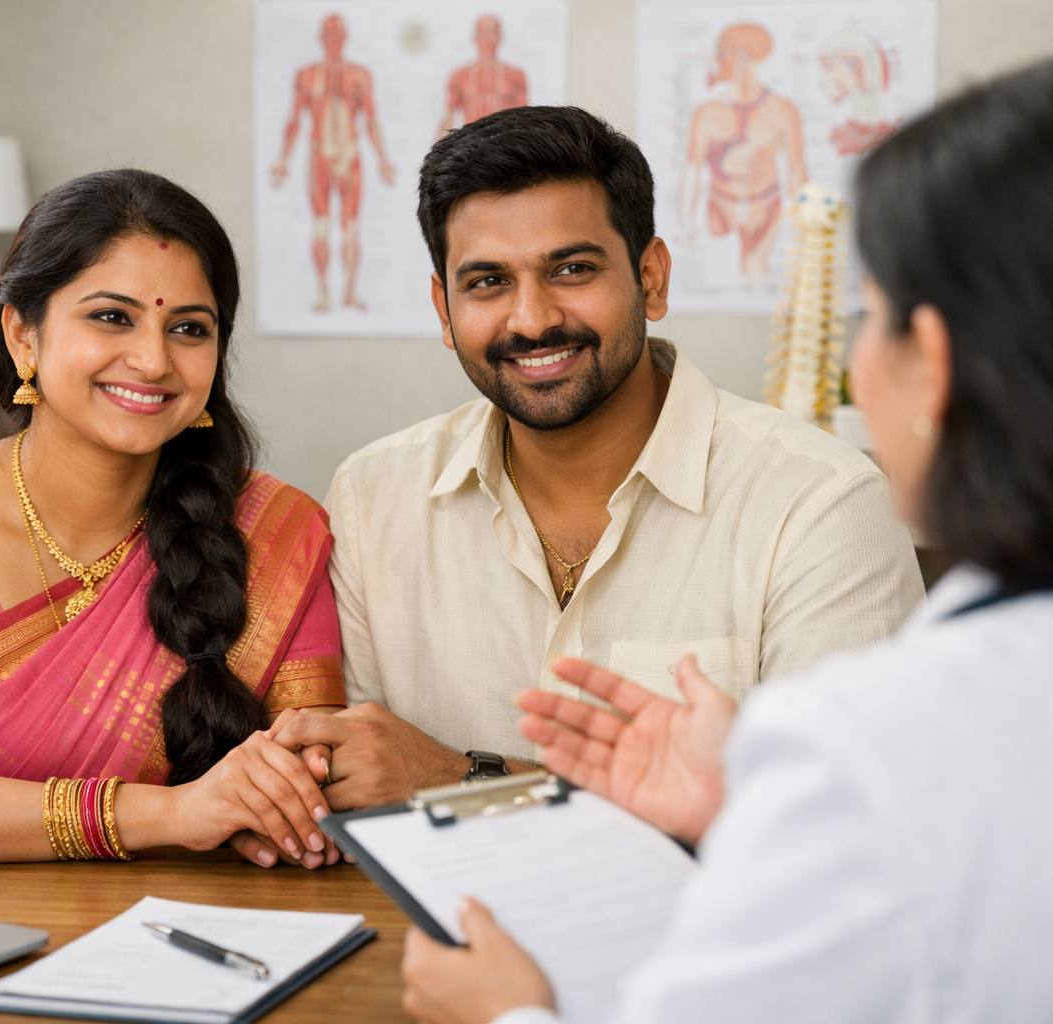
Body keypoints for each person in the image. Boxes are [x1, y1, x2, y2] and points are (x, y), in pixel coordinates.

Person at [400, 56, 1053, 1023]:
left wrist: (507, 1014)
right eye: (488, 282)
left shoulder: (863, 728)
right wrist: (757, 802)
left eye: (872, 314)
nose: (533, 314)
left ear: (931, 367)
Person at [270, 105, 922, 809]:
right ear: (443, 309)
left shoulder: (822, 503)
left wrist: (470, 782)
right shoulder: (374, 497)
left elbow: (854, 816)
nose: (533, 319)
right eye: (488, 282)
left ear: (652, 278)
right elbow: (358, 784)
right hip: (436, 921)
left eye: (572, 269)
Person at [0, 169, 345, 869]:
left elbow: (311, 780)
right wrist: (168, 813)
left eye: (188, 328)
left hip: (179, 940)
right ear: (23, 336)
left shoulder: (275, 533)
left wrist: (282, 807)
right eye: (112, 317)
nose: (153, 361)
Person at [270, 13, 396, 312]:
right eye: (329, 35)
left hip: (349, 152)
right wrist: (283, 159)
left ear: (345, 38)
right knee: (322, 225)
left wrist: (382, 158)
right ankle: (324, 292)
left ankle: (349, 291)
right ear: (321, 38)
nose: (334, 41)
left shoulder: (360, 75)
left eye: (338, 35)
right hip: (319, 154)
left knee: (351, 226)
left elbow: (371, 119)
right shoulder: (306, 76)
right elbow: (294, 119)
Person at [678, 23, 807, 279]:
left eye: (723, 53)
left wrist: (805, 222)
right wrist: (685, 223)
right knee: (717, 277)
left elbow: (797, 171)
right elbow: (692, 170)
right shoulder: (706, 113)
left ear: (744, 56)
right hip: (719, 208)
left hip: (766, 206)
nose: (716, 61)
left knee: (756, 272)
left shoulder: (782, 110)